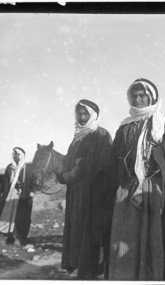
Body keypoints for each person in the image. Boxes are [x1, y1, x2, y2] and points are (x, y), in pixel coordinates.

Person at [107, 78, 165, 281]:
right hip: (127, 188)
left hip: (155, 188)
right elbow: (114, 161)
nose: (138, 99)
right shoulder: (124, 127)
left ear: (152, 97)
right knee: (122, 238)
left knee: (152, 238)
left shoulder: (164, 124)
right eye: (134, 96)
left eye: (142, 95)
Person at [58, 99, 113, 280]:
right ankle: (79, 266)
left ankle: (92, 271)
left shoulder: (101, 135)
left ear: (94, 116)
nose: (82, 118)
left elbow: (103, 166)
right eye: (79, 113)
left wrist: (76, 172)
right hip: (75, 193)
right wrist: (63, 174)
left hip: (92, 194)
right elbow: (67, 162)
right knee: (77, 229)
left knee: (90, 232)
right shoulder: (76, 137)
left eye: (85, 114)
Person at [0, 147, 35, 245]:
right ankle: (3, 237)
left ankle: (19, 238)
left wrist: (32, 192)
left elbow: (33, 180)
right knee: (7, 214)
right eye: (14, 154)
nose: (15, 156)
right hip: (11, 194)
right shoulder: (9, 167)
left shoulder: (27, 168)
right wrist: (3, 194)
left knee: (21, 216)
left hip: (23, 196)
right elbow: (6, 183)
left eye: (17, 154)